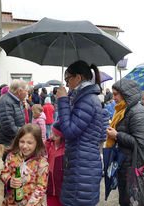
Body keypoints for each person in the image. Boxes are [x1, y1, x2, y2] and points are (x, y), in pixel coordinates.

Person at [106, 78, 144, 205]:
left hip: (136, 166)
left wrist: (117, 135)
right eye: (113, 94)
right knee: (127, 199)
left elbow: (141, 143)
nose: (113, 98)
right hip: (127, 163)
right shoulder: (123, 110)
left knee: (136, 200)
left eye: (116, 94)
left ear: (126, 93)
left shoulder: (137, 112)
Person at [56, 60, 103, 206]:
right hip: (81, 162)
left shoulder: (87, 100)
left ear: (79, 77)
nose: (67, 83)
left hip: (83, 166)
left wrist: (62, 101)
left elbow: (70, 131)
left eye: (68, 78)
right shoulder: (82, 98)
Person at [1, 124, 48, 206]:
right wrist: (9, 181)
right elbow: (4, 173)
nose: (25, 146)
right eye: (22, 141)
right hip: (11, 202)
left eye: (29, 143)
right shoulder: (12, 156)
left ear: (37, 143)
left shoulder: (41, 163)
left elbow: (41, 188)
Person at [0, 79, 27, 148]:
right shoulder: (6, 103)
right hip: (9, 144)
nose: (27, 93)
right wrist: (25, 130)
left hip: (15, 141)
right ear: (19, 91)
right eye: (26, 91)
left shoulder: (17, 101)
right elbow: (9, 129)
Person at [44, 122, 65, 206]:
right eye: (52, 133)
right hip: (50, 185)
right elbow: (43, 151)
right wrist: (47, 142)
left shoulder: (65, 149)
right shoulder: (50, 144)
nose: (53, 136)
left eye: (56, 135)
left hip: (62, 187)